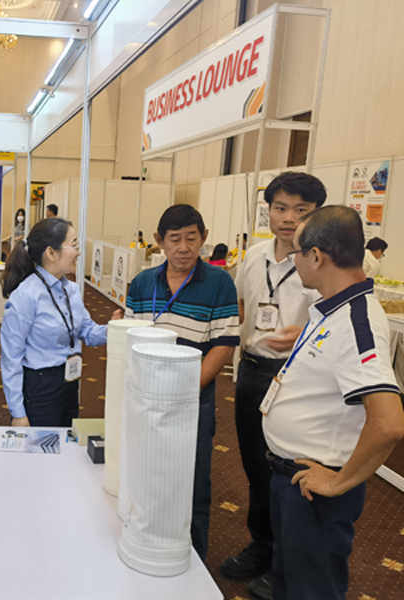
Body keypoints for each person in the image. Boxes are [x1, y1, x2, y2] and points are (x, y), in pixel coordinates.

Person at [263, 205, 404, 600]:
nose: (292, 260)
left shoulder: (358, 321)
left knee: (312, 590)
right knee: (288, 583)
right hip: (293, 478)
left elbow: (389, 424)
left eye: (296, 252)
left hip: (316, 491)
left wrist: (339, 482)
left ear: (316, 256)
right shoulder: (334, 307)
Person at [221, 171, 326, 599]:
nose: (289, 218)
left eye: (301, 210)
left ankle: (286, 561)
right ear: (268, 210)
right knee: (255, 465)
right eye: (280, 208)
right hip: (252, 371)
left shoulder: (321, 261)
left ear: (316, 214)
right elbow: (242, 304)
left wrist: (304, 334)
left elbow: (332, 323)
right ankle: (261, 546)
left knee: (290, 469)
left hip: (296, 378)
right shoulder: (254, 255)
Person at [125, 204, 239, 561]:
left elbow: (223, 344)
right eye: (175, 239)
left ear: (204, 238)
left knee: (193, 481)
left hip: (193, 401)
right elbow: (130, 337)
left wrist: (187, 391)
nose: (184, 248)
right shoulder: (143, 282)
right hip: (146, 399)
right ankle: (146, 542)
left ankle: (194, 558)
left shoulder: (219, 282)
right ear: (159, 241)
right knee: (145, 471)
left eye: (192, 238)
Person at [0, 218, 122, 427]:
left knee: (67, 442)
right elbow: (11, 357)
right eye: (74, 245)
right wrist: (18, 413)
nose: (78, 252)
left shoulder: (71, 289)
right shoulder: (26, 295)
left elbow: (87, 331)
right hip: (40, 386)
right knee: (41, 445)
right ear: (51, 253)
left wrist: (113, 329)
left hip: (69, 382)